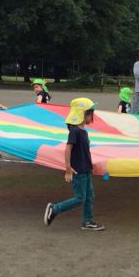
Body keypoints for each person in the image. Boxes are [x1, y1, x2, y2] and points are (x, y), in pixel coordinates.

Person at [43, 98, 105, 231]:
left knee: (89, 197)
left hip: (85, 170)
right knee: (80, 198)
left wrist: (90, 166)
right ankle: (55, 208)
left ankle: (87, 221)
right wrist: (68, 168)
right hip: (78, 171)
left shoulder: (83, 131)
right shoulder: (75, 131)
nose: (92, 117)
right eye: (90, 114)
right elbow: (68, 148)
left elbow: (84, 152)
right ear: (82, 114)